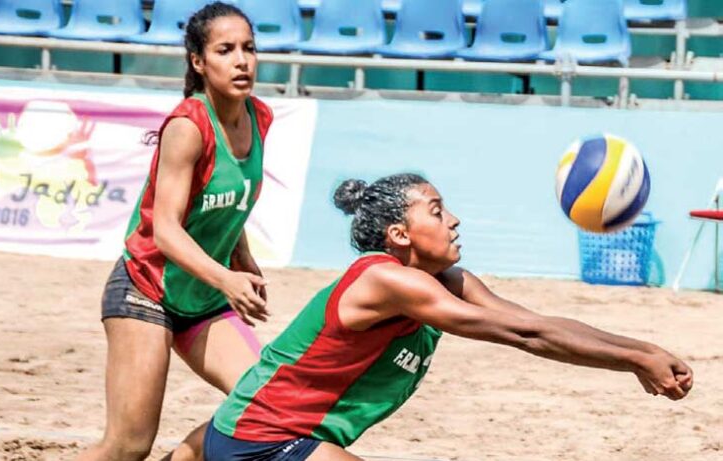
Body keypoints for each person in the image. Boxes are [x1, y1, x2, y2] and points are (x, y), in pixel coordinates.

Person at [202, 173, 694, 461]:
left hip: (284, 435)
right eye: (437, 212)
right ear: (399, 234)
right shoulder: (385, 279)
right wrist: (635, 357)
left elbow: (539, 325)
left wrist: (640, 352)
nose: (453, 219)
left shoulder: (449, 280)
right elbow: (525, 336)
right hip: (263, 440)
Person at [76, 3, 271, 461]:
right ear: (199, 62)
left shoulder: (260, 117)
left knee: (264, 408)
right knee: (127, 446)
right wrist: (226, 278)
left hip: (202, 298)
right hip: (146, 291)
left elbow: (224, 199)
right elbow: (165, 229)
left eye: (249, 48)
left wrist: (240, 256)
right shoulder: (187, 126)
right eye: (225, 50)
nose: (241, 60)